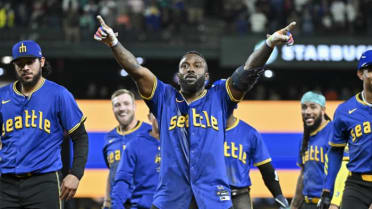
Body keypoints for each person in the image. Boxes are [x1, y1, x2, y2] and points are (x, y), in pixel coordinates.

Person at [94, 15, 296, 209]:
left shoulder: (220, 97)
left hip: (213, 198)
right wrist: (114, 43)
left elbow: (247, 71)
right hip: (170, 197)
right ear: (178, 74)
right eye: (185, 66)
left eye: (197, 65)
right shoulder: (163, 97)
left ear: (206, 76)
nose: (190, 69)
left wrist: (268, 44)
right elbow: (136, 70)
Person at [0, 40, 89, 209]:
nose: (25, 67)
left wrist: (75, 174)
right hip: (6, 183)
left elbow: (80, 137)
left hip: (44, 181)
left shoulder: (58, 94)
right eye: (19, 63)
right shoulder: (2, 95)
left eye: (29, 62)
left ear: (41, 62)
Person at [318, 50, 372, 209]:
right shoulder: (345, 111)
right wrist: (327, 190)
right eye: (370, 70)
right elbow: (335, 151)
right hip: (357, 183)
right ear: (360, 74)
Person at [224, 109, 290, 209]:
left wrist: (278, 195)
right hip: (212, 194)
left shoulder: (249, 133)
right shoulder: (204, 132)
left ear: (235, 103)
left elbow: (266, 168)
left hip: (240, 196)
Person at [102, 89, 151, 209]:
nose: (122, 108)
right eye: (117, 105)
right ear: (113, 109)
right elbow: (112, 172)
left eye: (126, 103)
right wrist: (107, 202)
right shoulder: (110, 137)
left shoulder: (150, 132)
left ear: (134, 106)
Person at [290, 91, 333, 209]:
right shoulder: (304, 138)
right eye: (304, 107)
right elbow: (303, 174)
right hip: (307, 203)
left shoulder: (334, 133)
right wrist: (293, 205)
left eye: (313, 107)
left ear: (323, 110)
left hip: (329, 203)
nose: (307, 111)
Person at [111, 112, 160, 209]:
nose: (161, 116)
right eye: (157, 112)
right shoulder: (134, 145)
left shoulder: (181, 144)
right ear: (149, 117)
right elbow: (122, 181)